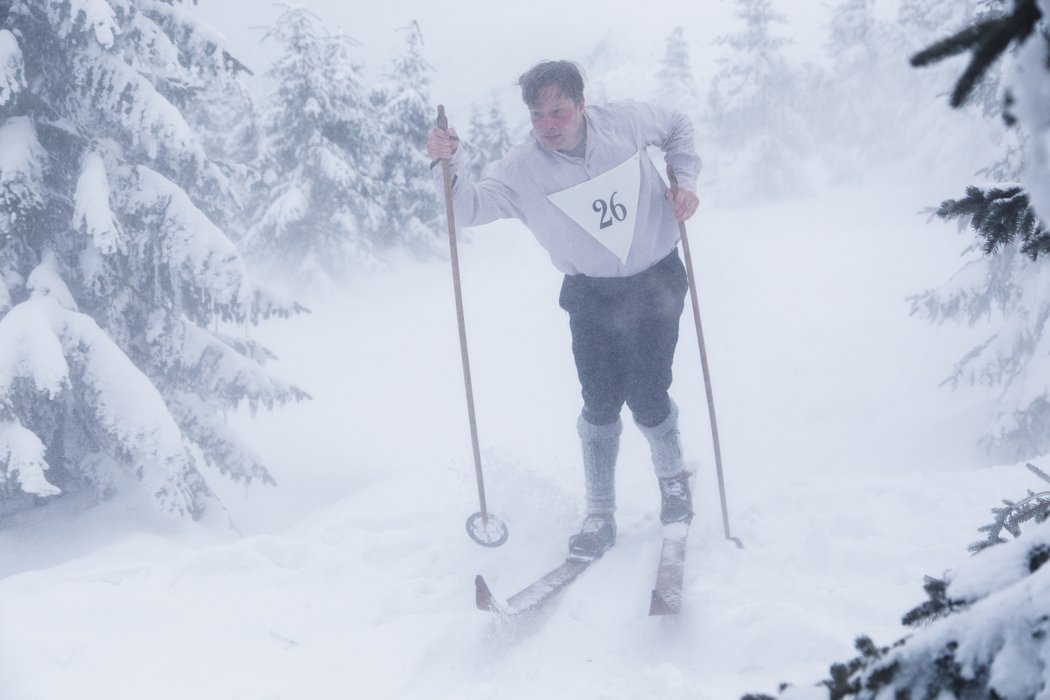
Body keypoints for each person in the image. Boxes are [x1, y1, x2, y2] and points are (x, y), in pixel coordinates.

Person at [426, 60, 701, 561]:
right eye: (537, 116)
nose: (548, 126)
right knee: (598, 401)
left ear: (580, 104)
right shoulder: (522, 168)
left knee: (647, 388)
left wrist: (686, 183)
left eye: (558, 112)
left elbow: (678, 127)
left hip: (657, 277)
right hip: (590, 294)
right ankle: (599, 512)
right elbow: (465, 209)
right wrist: (450, 163)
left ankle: (673, 481)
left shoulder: (626, 122)